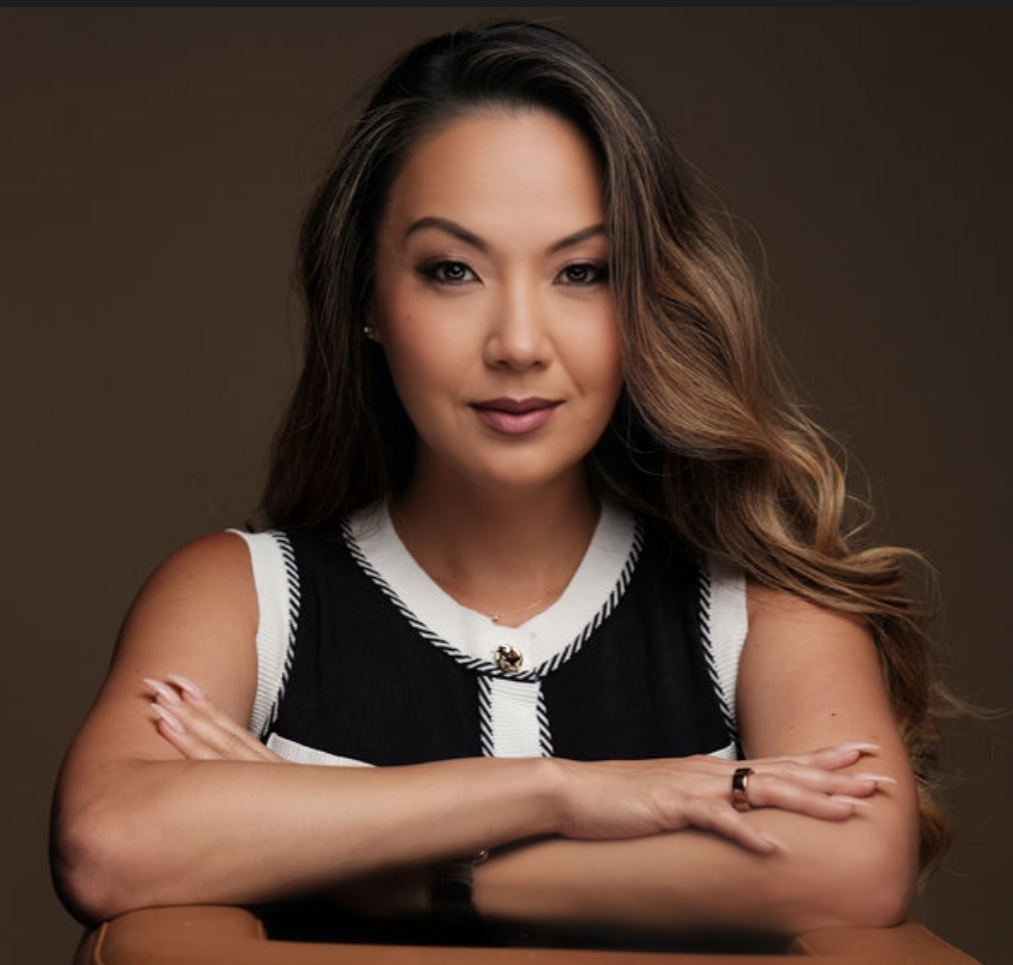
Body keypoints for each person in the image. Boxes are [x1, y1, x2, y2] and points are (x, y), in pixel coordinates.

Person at [51, 20, 955, 945]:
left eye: (582, 271)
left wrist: (409, 874)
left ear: (646, 295)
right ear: (367, 295)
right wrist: (555, 791)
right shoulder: (242, 598)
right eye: (452, 270)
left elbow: (855, 868)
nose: (519, 343)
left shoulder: (762, 607)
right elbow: (108, 844)